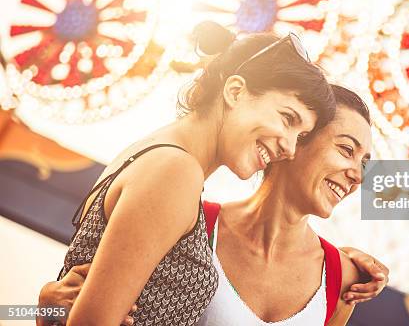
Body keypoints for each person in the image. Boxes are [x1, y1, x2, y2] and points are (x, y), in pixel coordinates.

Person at [37, 24, 388, 325]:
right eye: (288, 119)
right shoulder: (175, 173)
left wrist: (40, 312)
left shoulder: (166, 168)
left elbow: (84, 307)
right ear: (235, 91)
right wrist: (43, 310)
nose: (289, 146)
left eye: (298, 133)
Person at [198, 84, 378, 325]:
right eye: (346, 150)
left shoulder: (343, 279)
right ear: (298, 138)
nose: (358, 176)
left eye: (364, 164)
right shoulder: (193, 224)